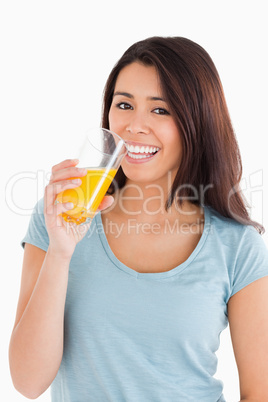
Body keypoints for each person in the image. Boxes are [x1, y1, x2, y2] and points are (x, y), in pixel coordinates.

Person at [9, 36, 268, 401]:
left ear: (198, 121)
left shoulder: (238, 247)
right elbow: (27, 382)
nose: (134, 126)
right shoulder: (59, 218)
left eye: (160, 110)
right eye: (124, 104)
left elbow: (259, 393)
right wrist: (61, 252)